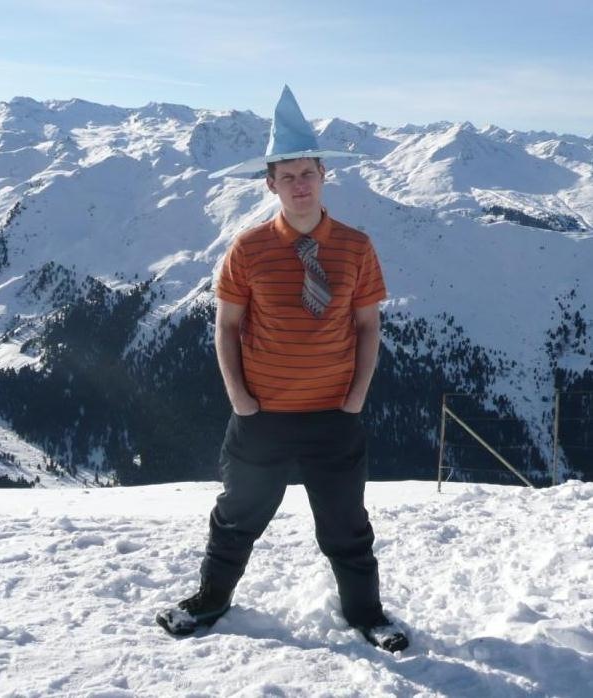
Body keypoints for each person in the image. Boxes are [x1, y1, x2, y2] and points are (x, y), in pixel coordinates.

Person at [156, 86, 408, 652]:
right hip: (262, 416)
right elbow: (226, 327)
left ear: (324, 176)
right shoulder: (247, 249)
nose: (299, 185)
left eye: (307, 173)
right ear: (270, 184)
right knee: (236, 520)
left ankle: (367, 614)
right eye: (287, 176)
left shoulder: (356, 247)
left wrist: (356, 398)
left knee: (347, 527)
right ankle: (210, 601)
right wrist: (240, 400)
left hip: (333, 416)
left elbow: (368, 326)